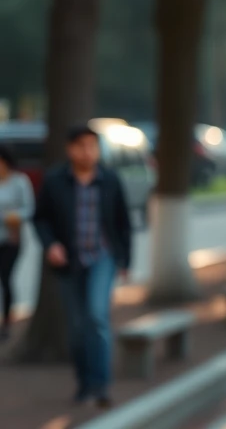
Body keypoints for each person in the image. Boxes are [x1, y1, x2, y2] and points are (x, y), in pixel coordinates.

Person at [32, 125, 134, 407]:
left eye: (92, 145)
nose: (87, 152)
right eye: (81, 146)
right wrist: (51, 244)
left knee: (96, 316)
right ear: (70, 149)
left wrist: (126, 260)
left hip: (103, 257)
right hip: (69, 262)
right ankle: (84, 383)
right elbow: (40, 219)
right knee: (77, 327)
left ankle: (101, 385)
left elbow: (123, 223)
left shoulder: (110, 179)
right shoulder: (55, 181)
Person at [0, 144, 35, 340]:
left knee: (6, 279)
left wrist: (15, 216)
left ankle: (6, 321)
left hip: (11, 238)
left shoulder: (19, 182)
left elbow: (29, 208)